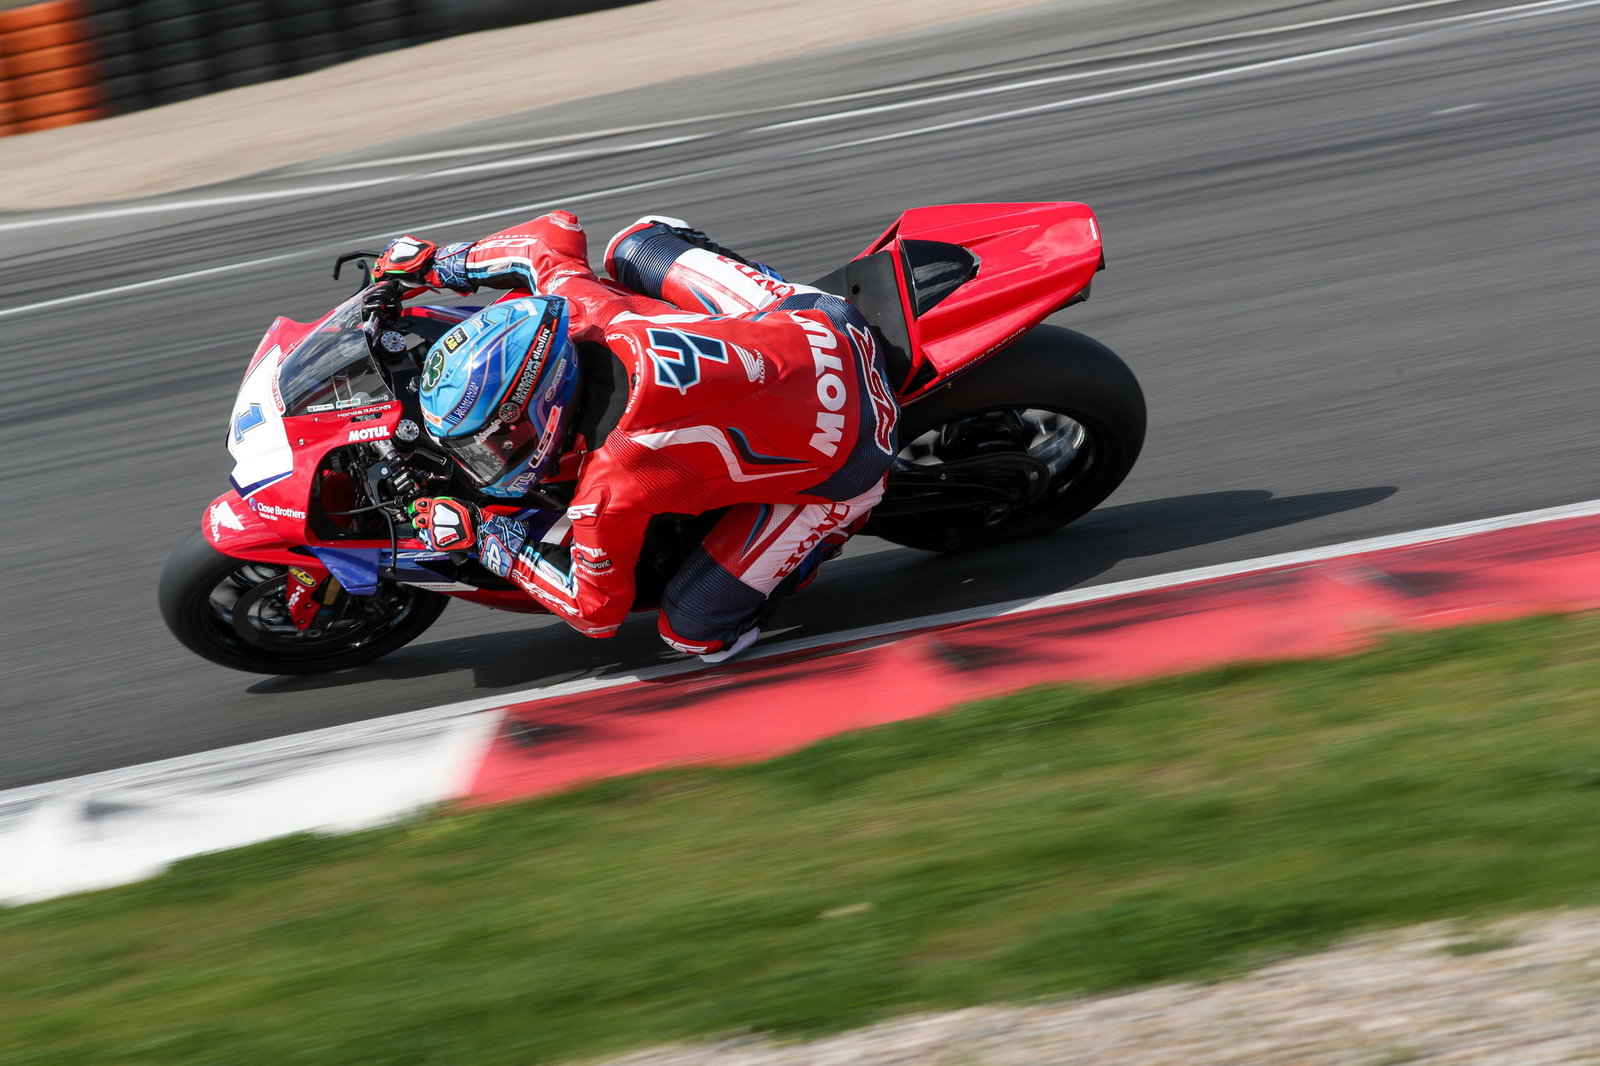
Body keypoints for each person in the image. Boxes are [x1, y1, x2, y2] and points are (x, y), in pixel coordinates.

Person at [373, 210, 899, 663]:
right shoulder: (585, 312)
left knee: (693, 632)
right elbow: (549, 235)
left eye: (493, 440)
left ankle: (831, 531)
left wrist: (486, 539)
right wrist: (436, 263)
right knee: (634, 244)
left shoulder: (607, 489)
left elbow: (596, 612)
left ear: (542, 407)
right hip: (826, 323)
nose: (487, 457)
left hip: (854, 457)